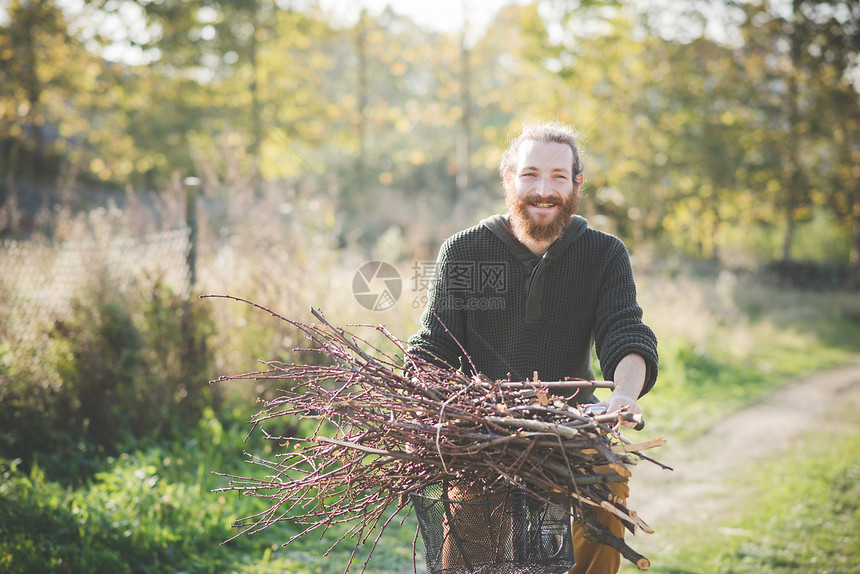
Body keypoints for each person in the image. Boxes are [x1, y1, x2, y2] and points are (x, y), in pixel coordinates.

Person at [407, 120, 658, 574]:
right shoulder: (464, 252)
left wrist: (623, 394)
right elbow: (435, 343)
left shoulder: (603, 255)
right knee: (468, 563)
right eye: (530, 174)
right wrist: (416, 395)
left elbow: (625, 331)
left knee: (606, 490)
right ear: (509, 178)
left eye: (559, 176)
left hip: (572, 425)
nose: (544, 189)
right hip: (480, 431)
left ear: (577, 183)